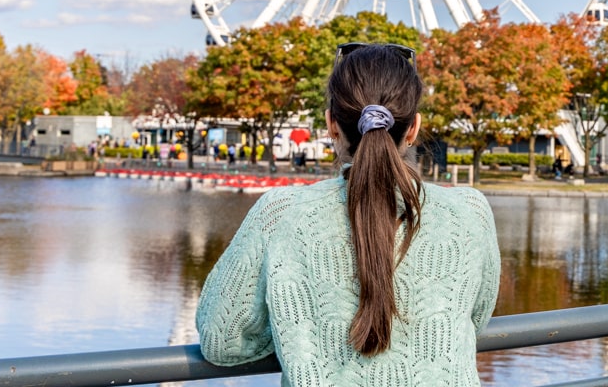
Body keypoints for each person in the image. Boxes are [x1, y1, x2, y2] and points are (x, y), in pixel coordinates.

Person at [196, 42, 501, 386]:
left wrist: (297, 330)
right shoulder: (469, 212)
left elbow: (221, 340)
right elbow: (475, 317)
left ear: (332, 125)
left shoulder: (280, 213)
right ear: (414, 128)